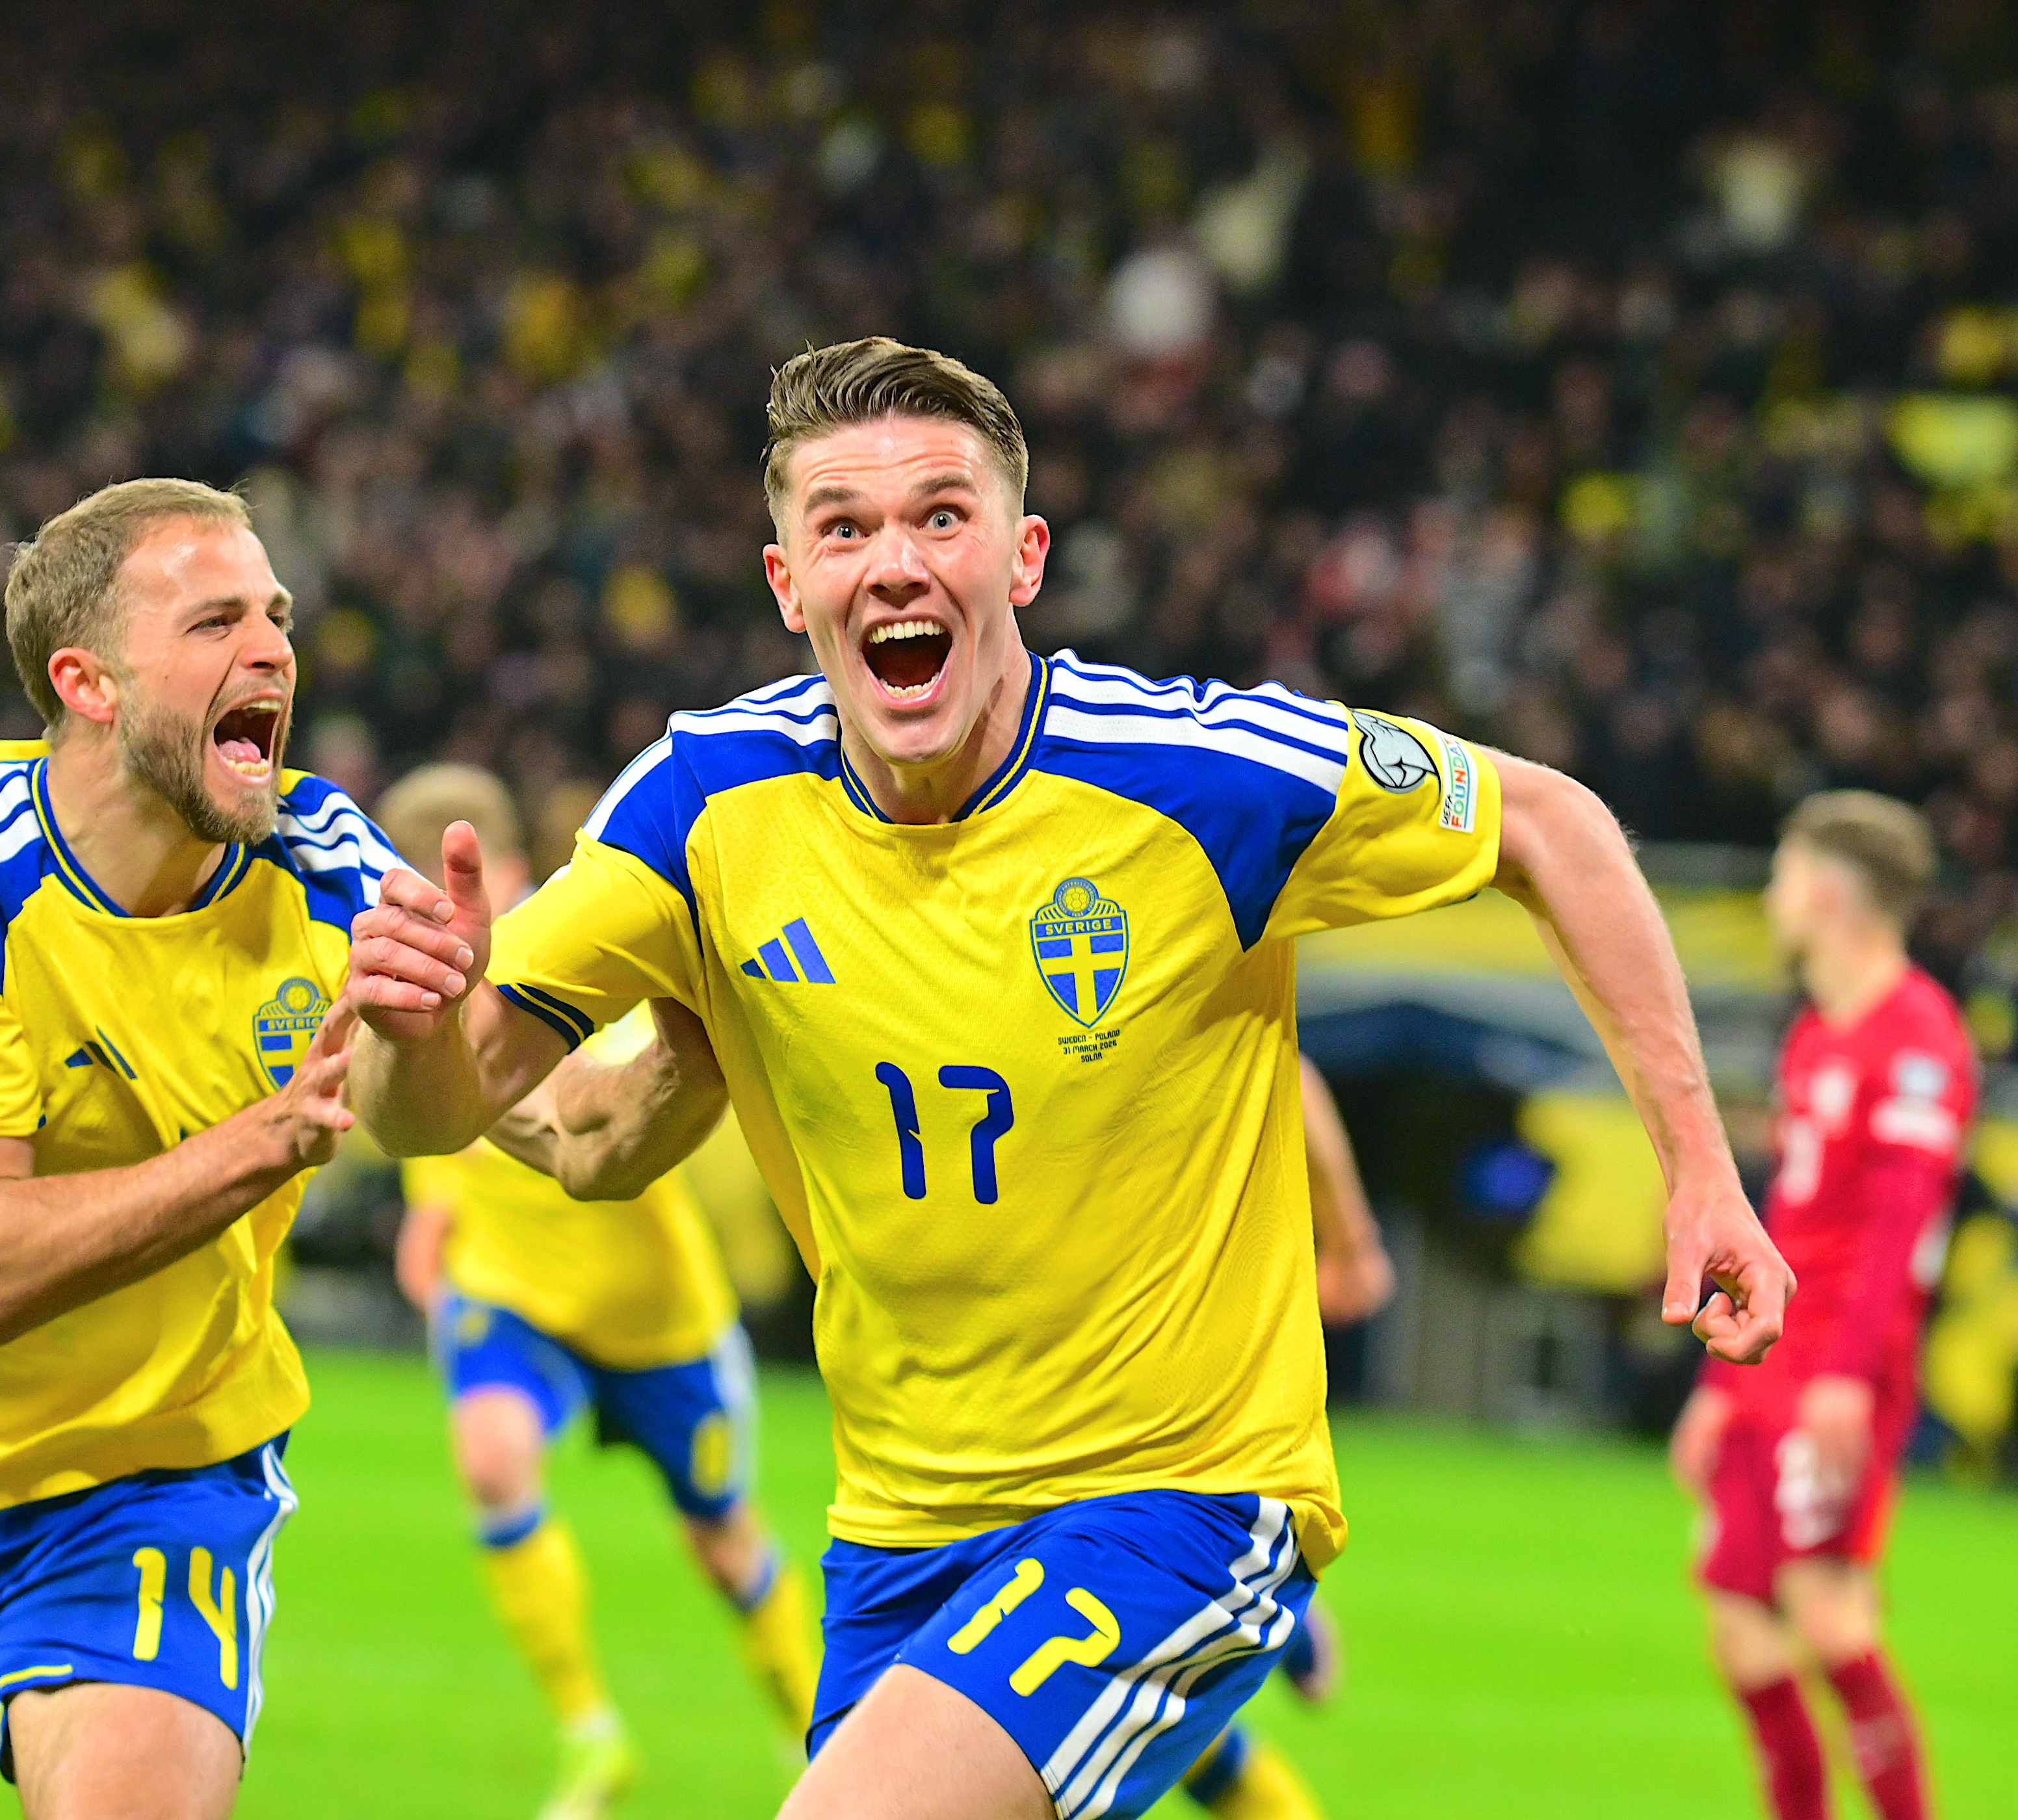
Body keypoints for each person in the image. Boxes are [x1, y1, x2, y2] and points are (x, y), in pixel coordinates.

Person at [344, 337, 1792, 1820]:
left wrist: (1701, 1173)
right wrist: (407, 1029)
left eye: (941, 517)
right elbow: (445, 1112)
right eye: (843, 528)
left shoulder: (1199, 778)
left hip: (1179, 1495)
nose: (894, 564)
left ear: (1023, 557)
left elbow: (1550, 825)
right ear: (787, 585)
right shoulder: (701, 807)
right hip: (896, 1531)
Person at [0, 478, 395, 1820]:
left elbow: (515, 1095)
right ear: (85, 683)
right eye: (215, 621)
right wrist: (271, 1137)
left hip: (155, 1473)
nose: (273, 650)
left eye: (276, 615)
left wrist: (630, 1057)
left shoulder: (330, 862)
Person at [376, 762, 819, 1820]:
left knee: (724, 1546)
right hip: (514, 1302)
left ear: (508, 873)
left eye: (455, 888)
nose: (445, 921)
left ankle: (821, 1740)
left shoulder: (574, 973)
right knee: (493, 1464)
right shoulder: (424, 999)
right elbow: (436, 1145)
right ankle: (590, 1736)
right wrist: (430, 1233)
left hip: (659, 1324)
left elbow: (617, 1118)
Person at [1671, 791, 1969, 1820]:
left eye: (1785, 874)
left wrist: (1846, 1379)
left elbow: (1899, 1230)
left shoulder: (1919, 1037)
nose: (1771, 895)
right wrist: (1718, 1384)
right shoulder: (1813, 1034)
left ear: (1833, 893)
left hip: (1845, 1364)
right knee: (1738, 1629)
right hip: (1772, 1366)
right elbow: (1783, 1232)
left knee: (1829, 1614)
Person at [1173, 1056, 1387, 1820]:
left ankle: (1254, 1578)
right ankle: (1258, 1587)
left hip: (1157, 1309)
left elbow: (1288, 1071)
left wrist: (1351, 1238)